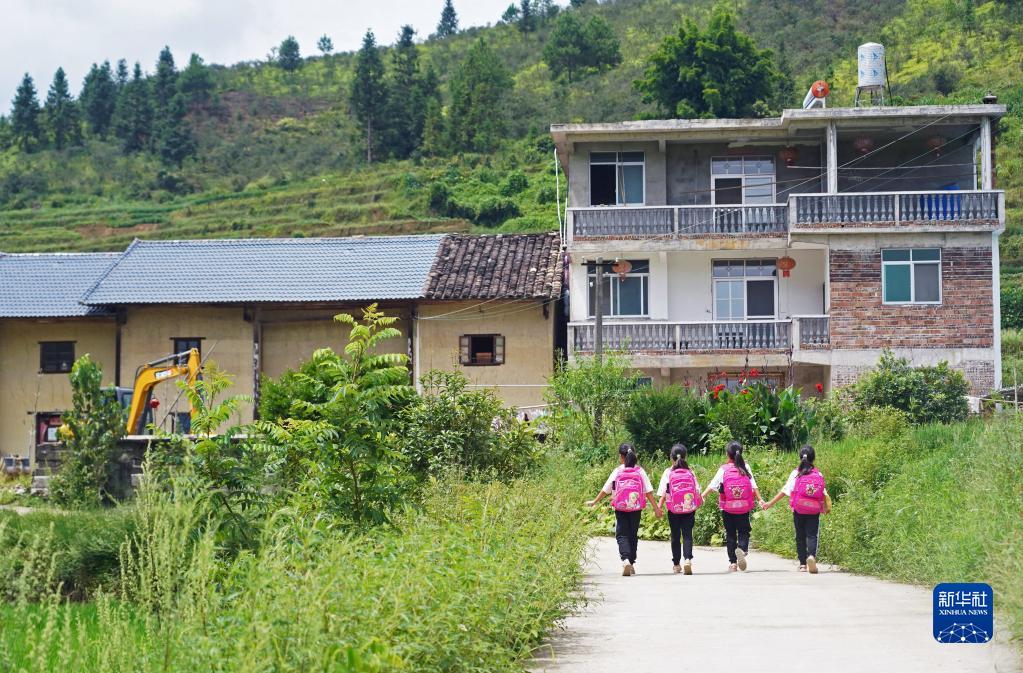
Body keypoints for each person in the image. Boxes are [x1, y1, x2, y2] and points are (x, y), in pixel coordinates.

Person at [587, 443, 663, 576]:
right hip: (636, 508)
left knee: (622, 535)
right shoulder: (640, 471)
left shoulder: (617, 471)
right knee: (633, 534)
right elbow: (648, 492)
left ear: (621, 457)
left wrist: (595, 501)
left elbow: (606, 489)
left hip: (620, 508)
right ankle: (631, 563)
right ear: (634, 455)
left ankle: (625, 559)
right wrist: (656, 508)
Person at [763, 445, 830, 573]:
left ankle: (803, 565)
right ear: (813, 458)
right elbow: (823, 493)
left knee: (800, 536)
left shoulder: (796, 473)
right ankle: (811, 556)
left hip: (798, 510)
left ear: (800, 457)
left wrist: (770, 503)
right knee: (812, 535)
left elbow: (785, 490)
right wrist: (826, 508)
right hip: (814, 511)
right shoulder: (818, 474)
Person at [701, 441, 765, 572]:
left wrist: (701, 496)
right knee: (744, 531)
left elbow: (712, 485)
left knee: (730, 534)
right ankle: (742, 549)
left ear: (727, 454)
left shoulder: (724, 469)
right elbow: (753, 485)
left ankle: (733, 563)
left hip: (727, 507)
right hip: (743, 507)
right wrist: (760, 499)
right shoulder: (745, 467)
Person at [657, 443, 702, 575]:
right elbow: (697, 490)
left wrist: (658, 507)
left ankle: (676, 565)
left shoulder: (668, 472)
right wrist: (699, 501)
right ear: (685, 457)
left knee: (675, 535)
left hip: (673, 509)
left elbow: (664, 492)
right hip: (689, 509)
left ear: (671, 457)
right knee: (687, 535)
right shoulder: (690, 472)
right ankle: (687, 559)